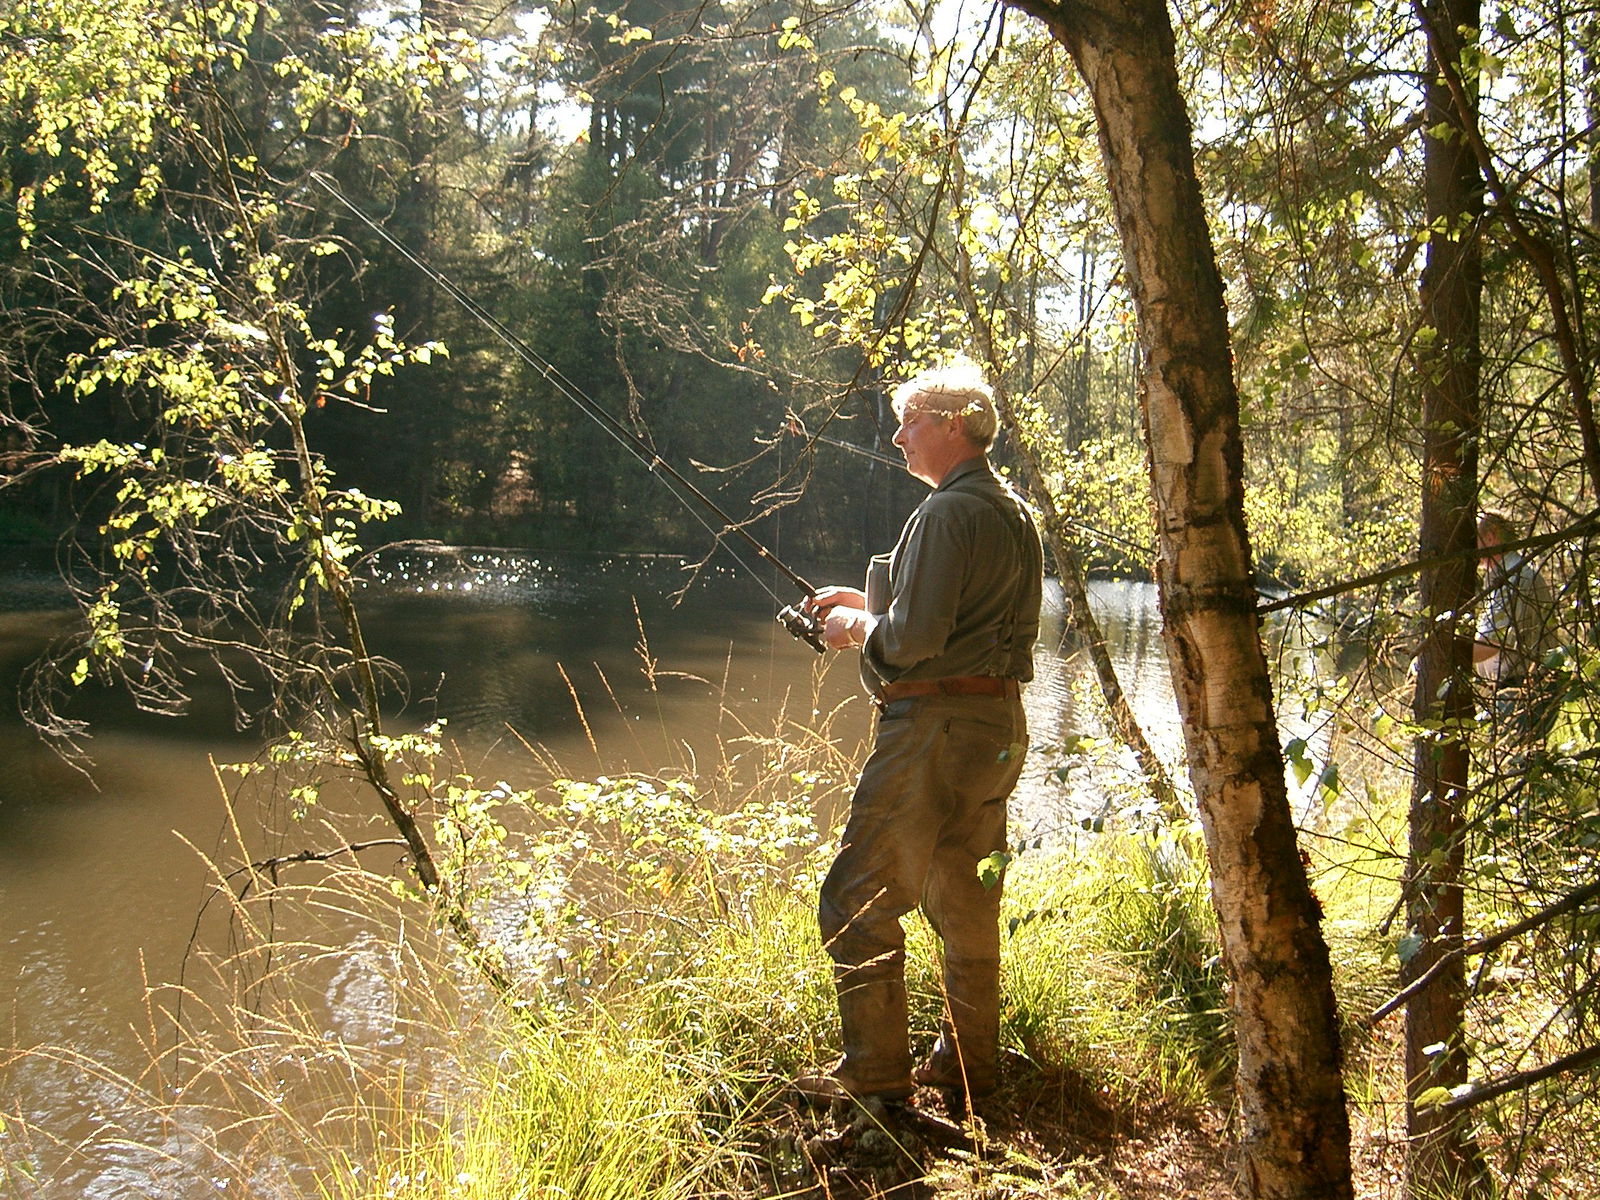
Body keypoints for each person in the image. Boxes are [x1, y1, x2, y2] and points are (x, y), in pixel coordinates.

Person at [794, 363, 1043, 1105]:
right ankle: (969, 1067)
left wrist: (853, 626)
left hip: (933, 728)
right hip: (996, 730)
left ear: (954, 424)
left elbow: (913, 640)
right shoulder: (1014, 513)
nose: (899, 436)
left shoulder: (943, 513)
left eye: (911, 420)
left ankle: (875, 1076)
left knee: (856, 898)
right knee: (965, 901)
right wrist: (867, 601)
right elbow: (964, 621)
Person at [1474, 510, 1558, 746]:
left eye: (1474, 540)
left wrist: (1443, 656)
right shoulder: (1500, 576)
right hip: (1516, 689)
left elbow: (1494, 642)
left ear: (1491, 537)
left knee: (1514, 758)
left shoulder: (1515, 578)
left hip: (1527, 689)